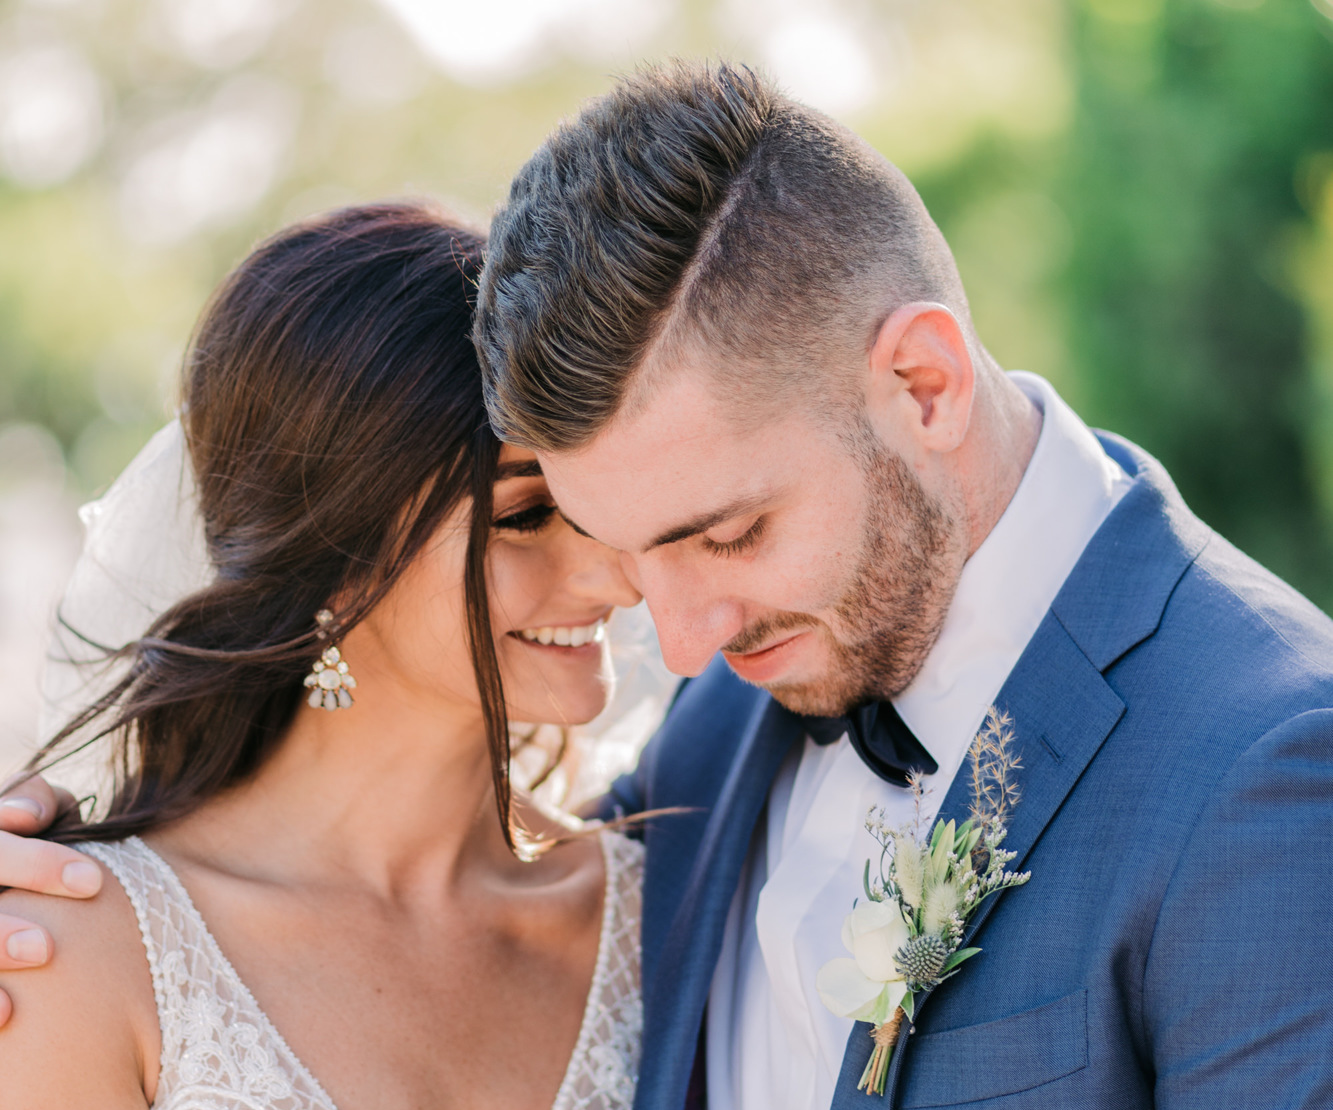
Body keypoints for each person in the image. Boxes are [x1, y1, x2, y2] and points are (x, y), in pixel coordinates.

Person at [6, 60, 1333, 1110]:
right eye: (581, 527)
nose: (671, 634)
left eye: (729, 531)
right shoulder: (698, 789)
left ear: (922, 382)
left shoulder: (1266, 767)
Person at [0, 201, 647, 1109]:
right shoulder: (73, 951)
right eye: (525, 516)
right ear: (331, 558)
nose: (620, 578)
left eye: (604, 508)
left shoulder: (659, 921)